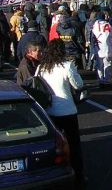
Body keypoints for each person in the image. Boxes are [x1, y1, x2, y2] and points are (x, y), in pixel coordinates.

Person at [38, 39, 85, 185]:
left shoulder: (41, 67)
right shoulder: (66, 66)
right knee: (73, 144)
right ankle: (78, 176)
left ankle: (54, 175)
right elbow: (78, 85)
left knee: (55, 145)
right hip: (67, 110)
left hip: (49, 111)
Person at [91, 12, 112, 86]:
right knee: (107, 64)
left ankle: (100, 80)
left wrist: (93, 48)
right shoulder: (108, 25)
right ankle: (107, 80)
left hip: (99, 48)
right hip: (108, 47)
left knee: (99, 65)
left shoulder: (95, 25)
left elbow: (93, 38)